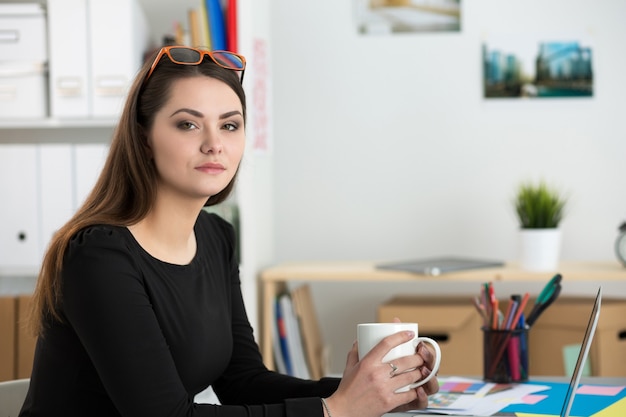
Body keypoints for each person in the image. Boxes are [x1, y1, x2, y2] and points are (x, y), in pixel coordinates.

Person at [19, 46, 439, 417]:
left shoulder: (217, 237)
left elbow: (242, 380)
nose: (214, 144)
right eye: (188, 124)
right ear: (144, 139)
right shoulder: (98, 256)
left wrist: (369, 391)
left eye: (230, 125)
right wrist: (335, 410)